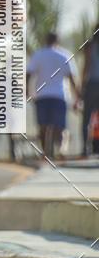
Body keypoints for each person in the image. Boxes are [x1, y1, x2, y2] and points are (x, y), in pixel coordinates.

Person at [27, 32, 80, 159]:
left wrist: (27, 91)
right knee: (60, 126)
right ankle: (61, 150)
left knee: (43, 126)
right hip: (59, 95)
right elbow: (72, 78)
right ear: (58, 41)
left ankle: (45, 153)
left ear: (46, 40)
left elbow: (28, 74)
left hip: (42, 95)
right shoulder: (64, 55)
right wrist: (77, 97)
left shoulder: (38, 54)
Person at [81, 25, 99, 156]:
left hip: (92, 84)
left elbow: (86, 67)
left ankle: (85, 148)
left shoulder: (90, 46)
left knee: (87, 118)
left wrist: (82, 86)